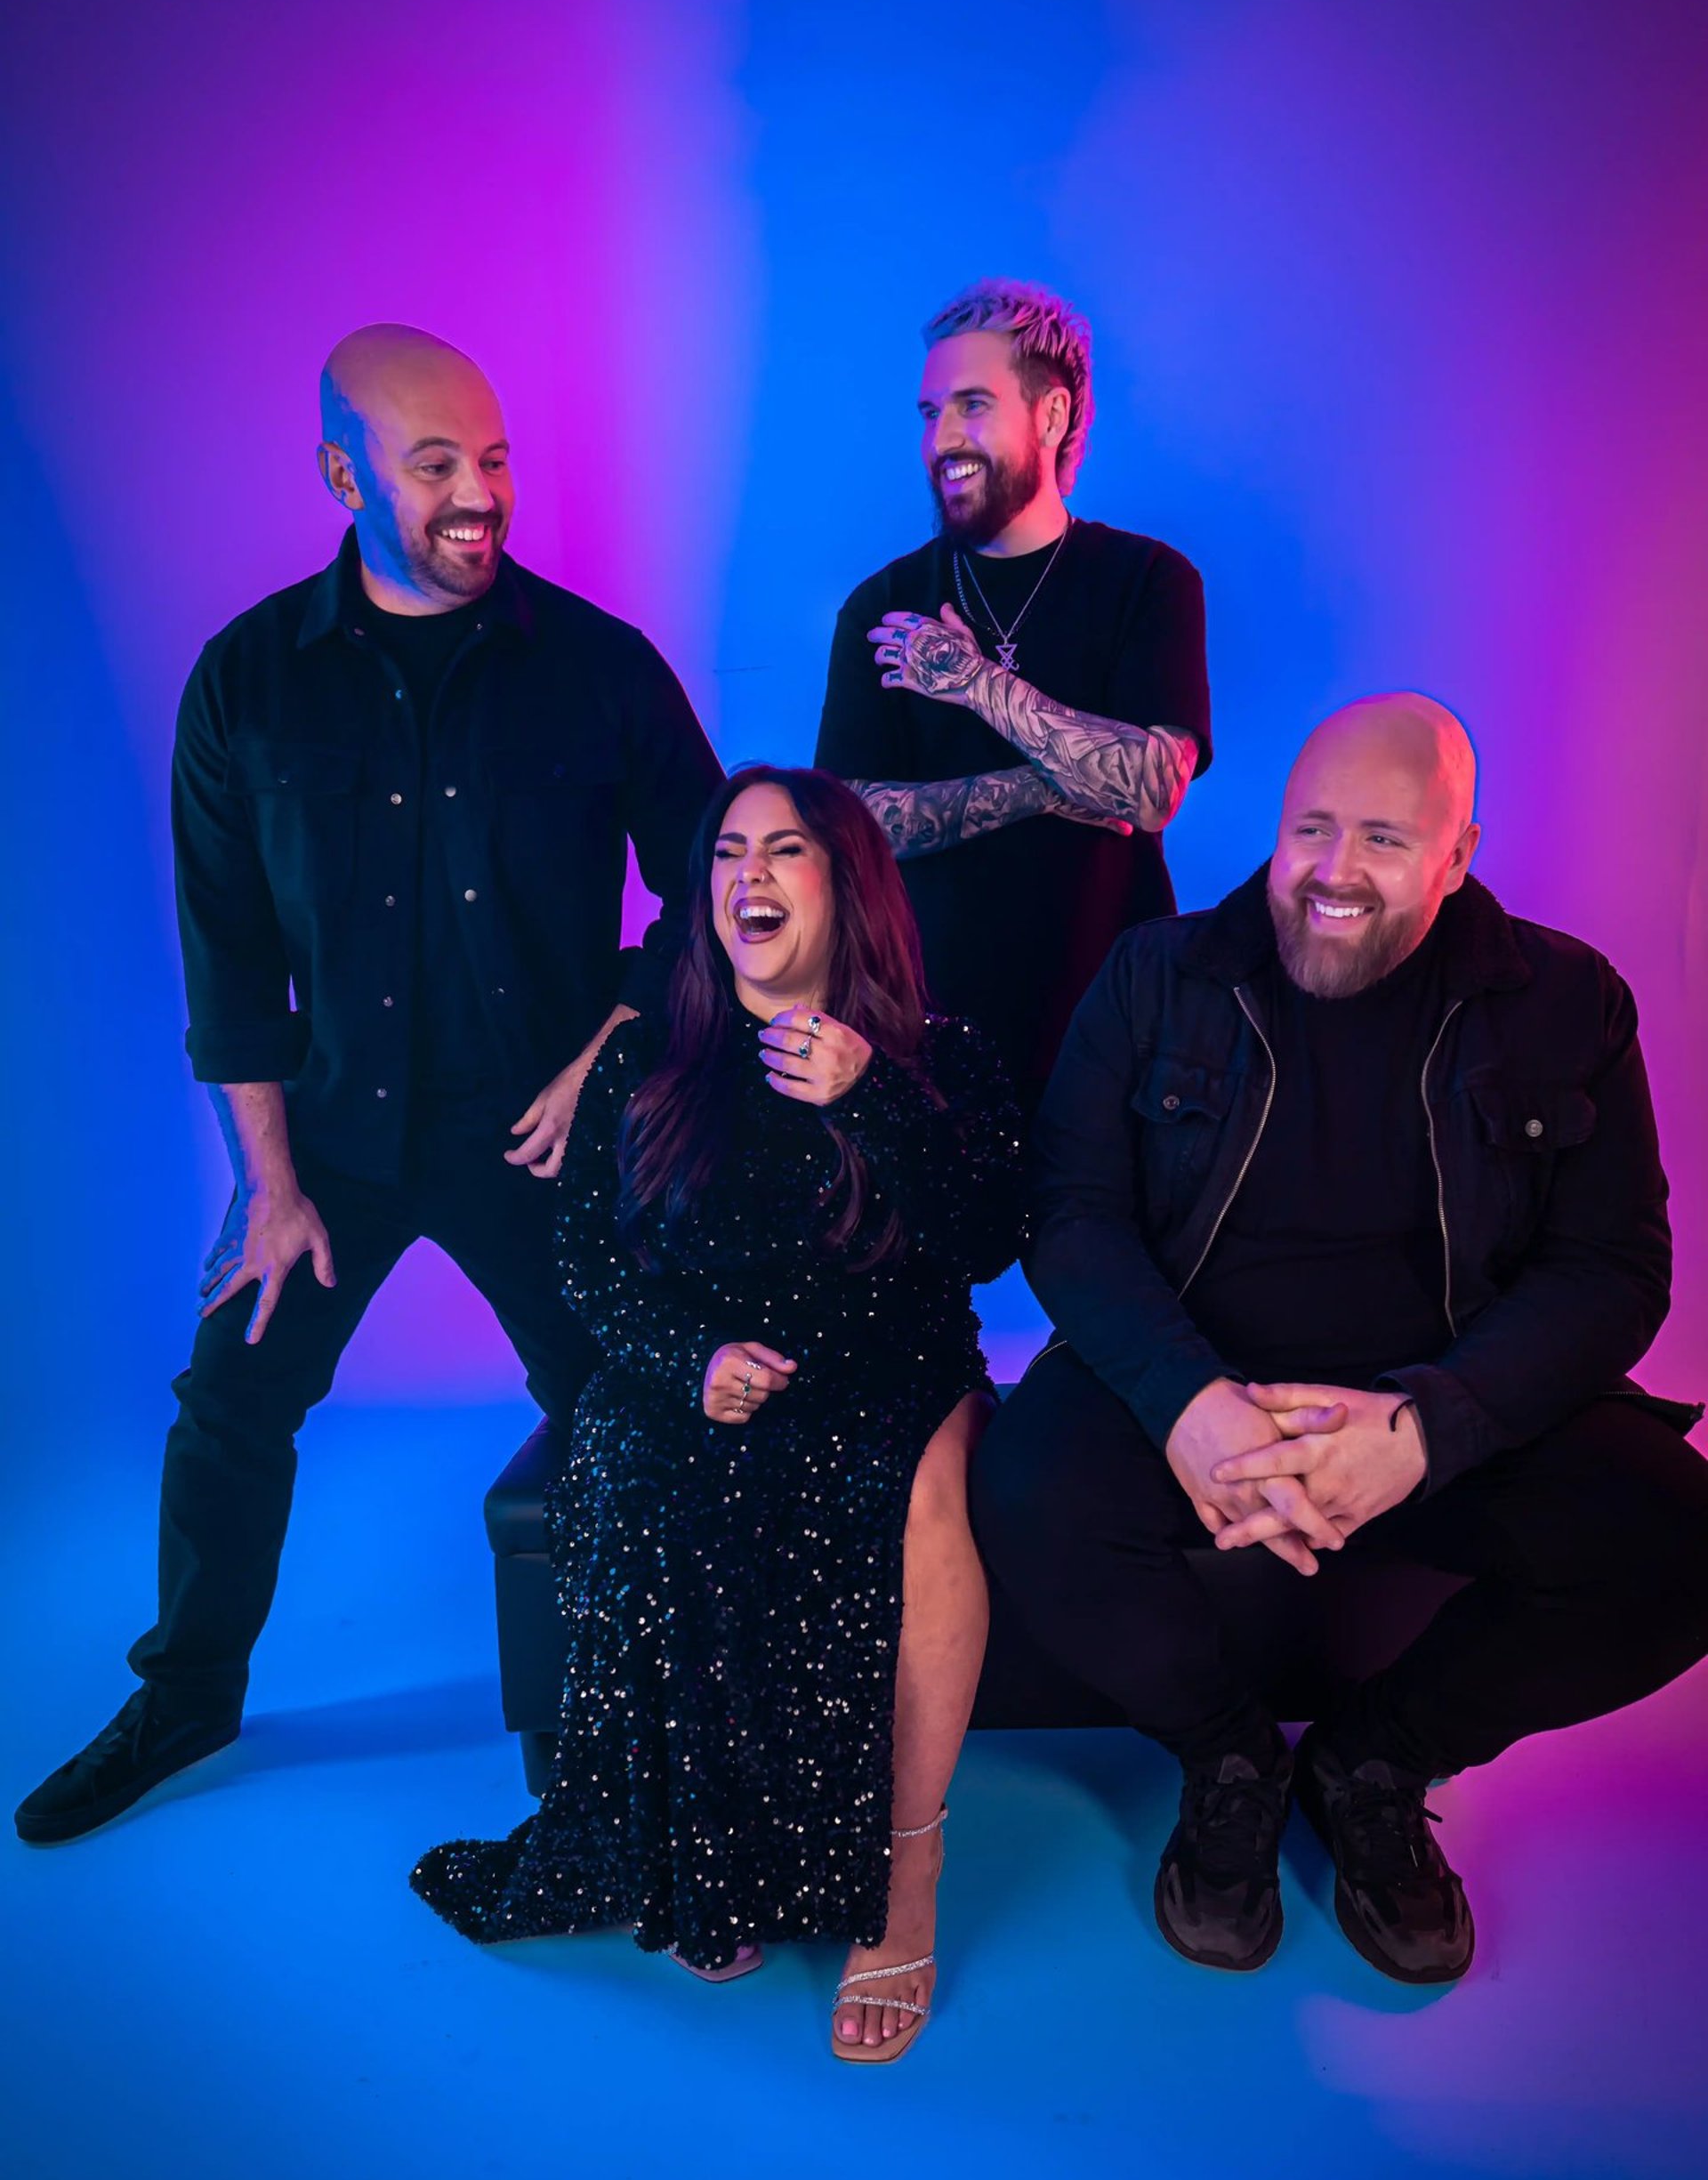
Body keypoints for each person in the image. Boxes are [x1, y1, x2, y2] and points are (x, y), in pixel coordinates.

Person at [16, 325, 722, 1847]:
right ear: (344, 475)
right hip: (328, 1140)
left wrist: (602, 1052)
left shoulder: (599, 670)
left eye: (496, 458)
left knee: (616, 1405)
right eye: (436, 466)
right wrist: (269, 1190)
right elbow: (230, 961)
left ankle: (631, 1718)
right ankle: (189, 1694)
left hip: (540, 1138)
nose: (482, 495)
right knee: (228, 1404)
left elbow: (715, 895)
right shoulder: (250, 685)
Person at [971, 693, 1708, 1986]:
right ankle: (1229, 1757)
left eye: (1381, 838)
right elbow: (1068, 1213)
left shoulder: (1568, 1001)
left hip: (1448, 1410)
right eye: (1312, 828)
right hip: (1195, 1389)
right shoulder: (1158, 976)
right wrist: (1191, 1400)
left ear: (1457, 854)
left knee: (1683, 1544)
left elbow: (1616, 1272)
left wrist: (1427, 1431)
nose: (1333, 871)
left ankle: (1375, 1759)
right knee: (1026, 1491)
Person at [411, 767, 1024, 2062]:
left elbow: (985, 1241)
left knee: (912, 1500)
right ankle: (713, 1856)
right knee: (639, 1474)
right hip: (701, 1365)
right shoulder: (643, 1057)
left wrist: (872, 1094)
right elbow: (582, 1260)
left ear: (845, 884)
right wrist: (689, 1360)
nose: (749, 874)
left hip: (893, 1366)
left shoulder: (940, 1051)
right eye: (728, 852)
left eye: (786, 850)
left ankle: (905, 1877)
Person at [815, 278, 1211, 1114]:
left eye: (972, 406)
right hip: (926, 1040)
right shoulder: (881, 608)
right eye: (930, 413)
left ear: (1053, 416)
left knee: (1097, 1248)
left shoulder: (1147, 581)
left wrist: (975, 684)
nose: (943, 439)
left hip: (1118, 1037)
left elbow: (1149, 790)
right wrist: (1045, 787)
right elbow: (850, 822)